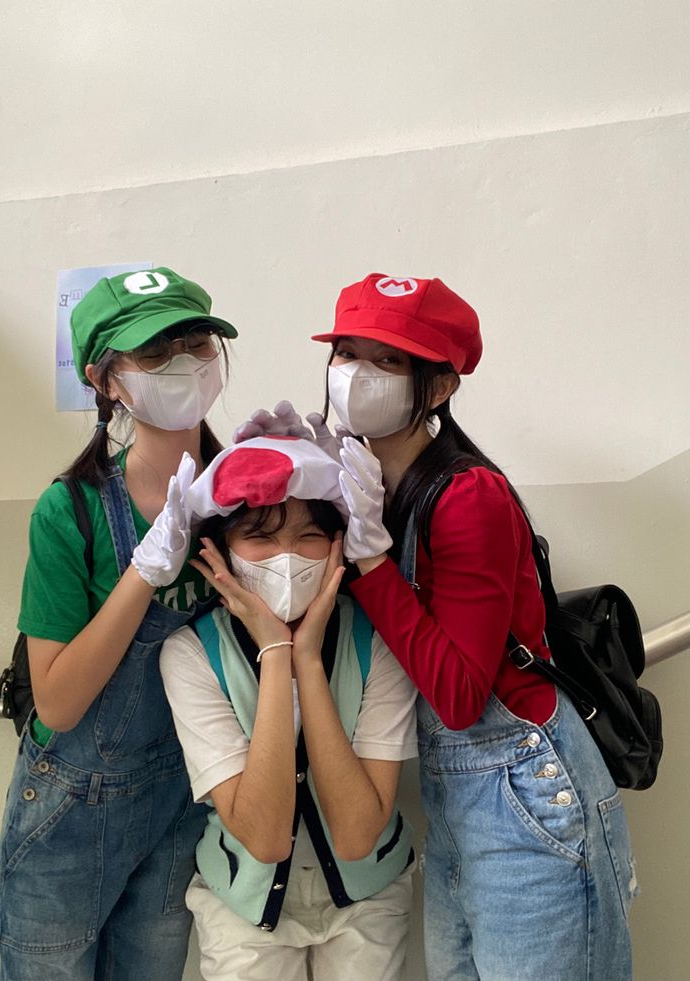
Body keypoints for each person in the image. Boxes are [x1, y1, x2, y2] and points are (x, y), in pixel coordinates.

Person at [235, 273, 637, 980]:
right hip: (456, 806)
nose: (356, 375)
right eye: (347, 352)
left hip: (527, 791)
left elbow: (457, 695)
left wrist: (369, 557)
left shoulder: (465, 497)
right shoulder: (363, 486)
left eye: (388, 361)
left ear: (441, 386)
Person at [0, 267, 239, 981]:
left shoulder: (247, 503)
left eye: (196, 342)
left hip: (182, 804)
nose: (184, 364)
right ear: (108, 381)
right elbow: (60, 701)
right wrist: (144, 570)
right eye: (155, 353)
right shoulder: (68, 512)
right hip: (69, 808)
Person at [159, 436, 418, 981]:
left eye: (310, 537)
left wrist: (309, 660)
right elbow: (266, 835)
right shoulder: (191, 654)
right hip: (242, 900)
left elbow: (354, 834)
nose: (287, 558)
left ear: (338, 546)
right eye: (260, 537)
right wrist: (277, 656)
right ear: (217, 548)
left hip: (367, 894)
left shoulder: (381, 641)